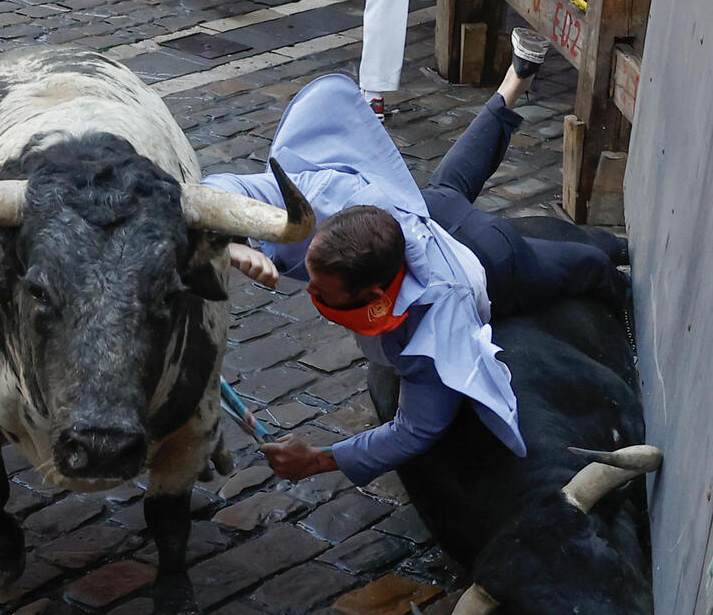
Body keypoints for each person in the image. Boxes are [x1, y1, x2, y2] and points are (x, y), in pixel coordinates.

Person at [216, 29, 629, 486]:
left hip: (487, 254)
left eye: (320, 288)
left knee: (580, 265)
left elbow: (417, 428)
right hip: (426, 211)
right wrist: (233, 243)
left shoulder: (434, 322)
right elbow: (219, 191)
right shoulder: (328, 195)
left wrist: (319, 459)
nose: (306, 289)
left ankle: (616, 254)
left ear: (374, 294)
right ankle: (516, 79)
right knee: (449, 186)